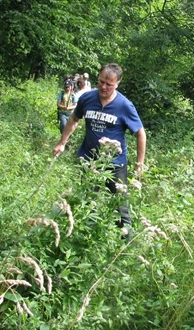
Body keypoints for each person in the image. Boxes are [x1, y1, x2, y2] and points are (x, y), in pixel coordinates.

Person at [54, 63, 146, 233]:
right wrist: (62, 143)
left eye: (109, 84)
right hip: (89, 161)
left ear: (117, 83)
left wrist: (139, 165)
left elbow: (140, 133)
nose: (103, 87)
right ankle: (86, 238)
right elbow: (74, 119)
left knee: (120, 206)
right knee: (88, 202)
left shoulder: (124, 105)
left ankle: (125, 246)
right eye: (101, 81)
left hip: (115, 164)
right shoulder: (87, 98)